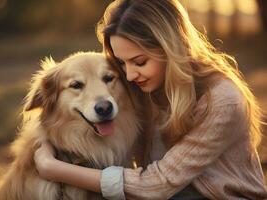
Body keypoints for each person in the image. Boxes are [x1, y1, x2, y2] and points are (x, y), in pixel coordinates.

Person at [34, 0, 267, 199]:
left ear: (170, 48)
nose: (130, 75)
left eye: (140, 62)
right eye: (122, 63)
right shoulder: (142, 87)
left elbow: (157, 184)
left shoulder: (222, 101)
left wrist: (52, 168)